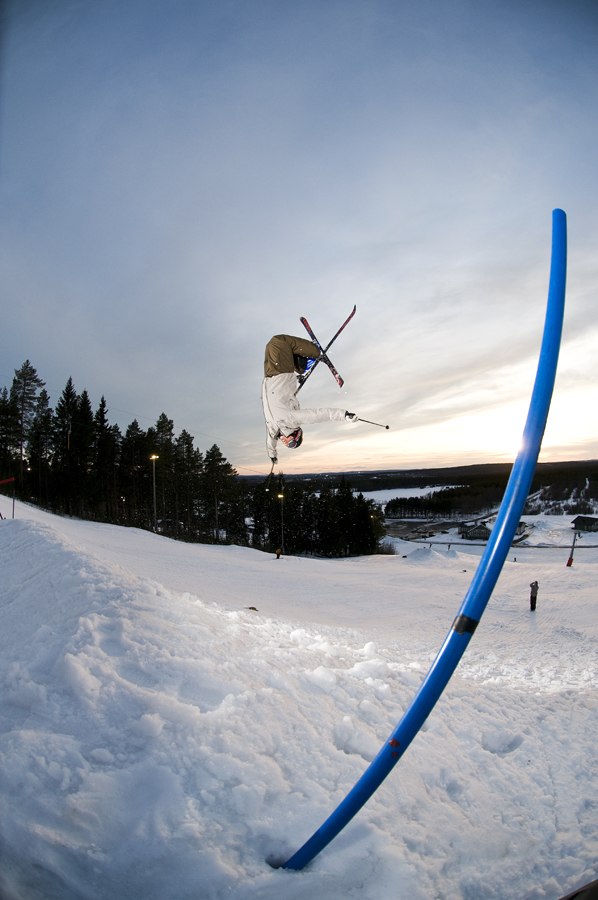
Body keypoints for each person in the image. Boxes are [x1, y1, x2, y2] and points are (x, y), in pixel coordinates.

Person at [262, 334, 358, 463]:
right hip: (281, 371)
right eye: (290, 443)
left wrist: (272, 455)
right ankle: (315, 351)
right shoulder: (292, 421)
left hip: (269, 376)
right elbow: (318, 415)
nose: (286, 443)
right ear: (296, 435)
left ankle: (302, 365)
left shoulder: (274, 430)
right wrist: (344, 415)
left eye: (287, 446)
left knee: (271, 345)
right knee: (278, 341)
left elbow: (270, 441)